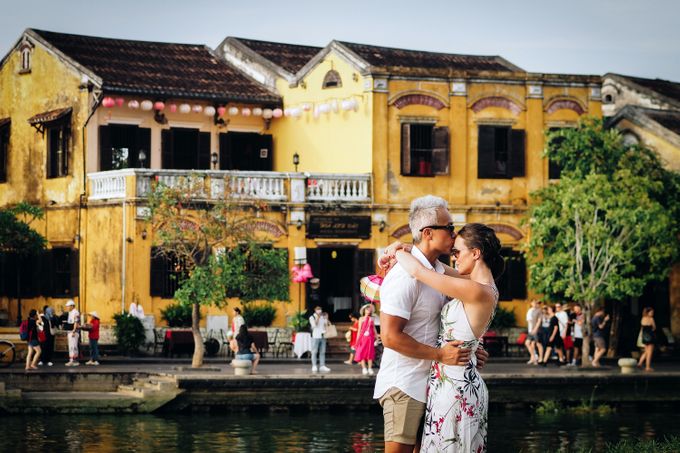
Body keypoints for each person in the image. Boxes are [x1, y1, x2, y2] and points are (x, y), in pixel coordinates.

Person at [375, 196, 490, 453]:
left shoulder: (436, 270)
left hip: (434, 383)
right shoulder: (404, 275)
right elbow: (390, 337)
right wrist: (441, 354)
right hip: (404, 382)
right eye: (449, 228)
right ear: (428, 233)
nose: (454, 233)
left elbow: (478, 279)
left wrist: (469, 349)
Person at [354, 304, 379, 375]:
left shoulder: (372, 318)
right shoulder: (361, 318)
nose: (368, 311)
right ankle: (364, 368)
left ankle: (370, 368)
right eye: (367, 309)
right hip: (363, 338)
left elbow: (374, 328)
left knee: (369, 352)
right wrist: (357, 340)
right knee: (361, 352)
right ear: (364, 310)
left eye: (369, 309)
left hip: (370, 338)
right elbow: (359, 330)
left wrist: (376, 338)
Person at [309, 306, 330, 373]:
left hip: (323, 336)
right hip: (315, 336)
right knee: (314, 352)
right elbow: (314, 325)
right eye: (318, 309)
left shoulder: (322, 317)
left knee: (322, 352)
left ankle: (322, 366)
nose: (319, 311)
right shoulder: (312, 317)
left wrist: (326, 318)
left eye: (320, 309)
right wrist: (318, 317)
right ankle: (314, 365)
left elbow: (327, 325)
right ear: (315, 310)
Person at [637, 307, 657, 372]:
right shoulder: (651, 319)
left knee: (646, 351)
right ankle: (647, 367)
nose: (652, 313)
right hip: (650, 336)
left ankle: (640, 363)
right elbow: (654, 327)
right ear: (648, 313)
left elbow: (642, 328)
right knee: (650, 353)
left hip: (644, 336)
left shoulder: (643, 318)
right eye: (651, 312)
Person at [525, 300, 542, 365]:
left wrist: (535, 329)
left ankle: (537, 358)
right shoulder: (530, 310)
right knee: (528, 343)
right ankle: (533, 357)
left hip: (535, 330)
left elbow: (539, 321)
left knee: (535, 344)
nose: (535, 304)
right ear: (531, 303)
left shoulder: (539, 311)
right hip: (530, 330)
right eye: (534, 303)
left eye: (536, 303)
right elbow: (529, 321)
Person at [64, 300, 81, 367]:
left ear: (72, 306)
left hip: (73, 332)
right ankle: (72, 360)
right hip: (70, 331)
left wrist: (74, 331)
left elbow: (76, 322)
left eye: (68, 306)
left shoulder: (75, 312)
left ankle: (73, 361)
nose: (67, 308)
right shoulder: (70, 312)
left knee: (73, 346)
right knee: (71, 346)